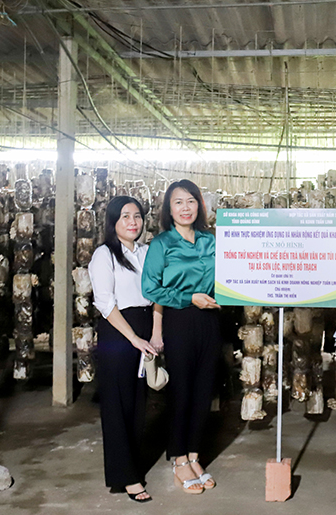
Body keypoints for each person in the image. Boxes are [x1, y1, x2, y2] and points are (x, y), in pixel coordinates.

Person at [141, 179, 220, 495]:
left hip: (211, 320)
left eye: (191, 201)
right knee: (182, 392)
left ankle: (194, 454)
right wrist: (189, 299)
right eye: (178, 202)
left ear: (199, 205)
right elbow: (150, 288)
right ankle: (178, 459)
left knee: (204, 392)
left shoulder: (210, 240)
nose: (185, 207)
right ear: (168, 209)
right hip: (180, 320)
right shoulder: (162, 244)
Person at [88, 195, 160, 503]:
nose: (133, 222)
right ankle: (127, 477)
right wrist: (133, 338)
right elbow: (106, 303)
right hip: (119, 332)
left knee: (138, 403)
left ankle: (134, 465)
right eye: (125, 217)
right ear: (113, 222)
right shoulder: (103, 255)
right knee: (118, 405)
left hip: (146, 327)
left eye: (138, 216)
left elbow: (159, 292)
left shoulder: (148, 252)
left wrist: (156, 335)